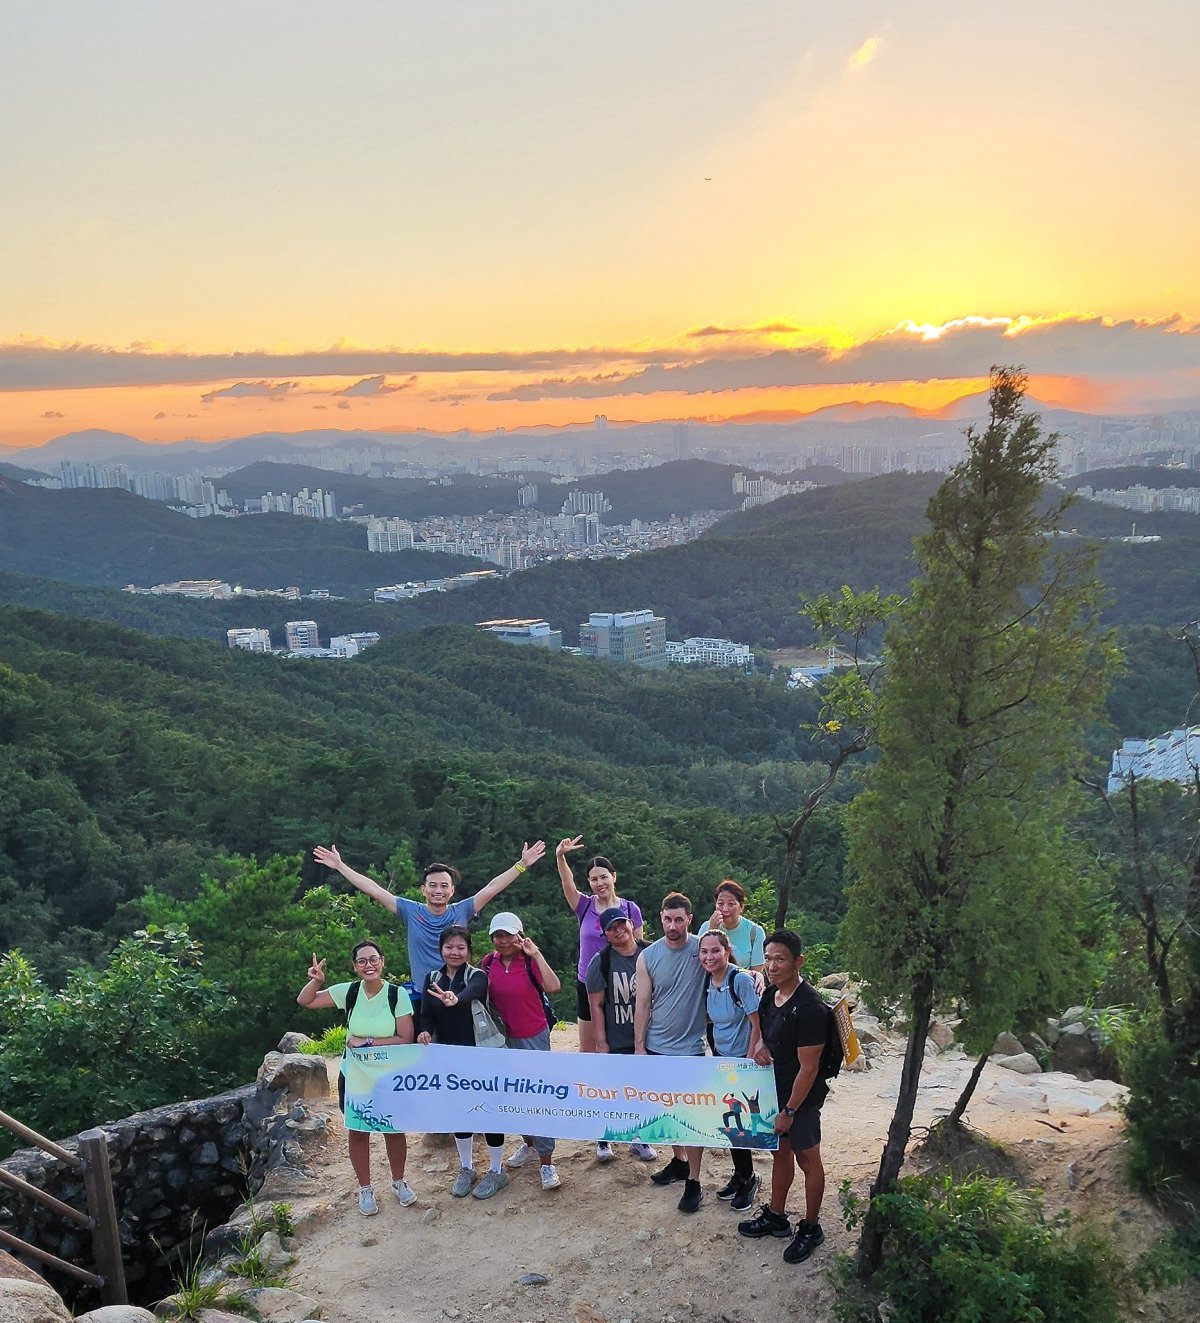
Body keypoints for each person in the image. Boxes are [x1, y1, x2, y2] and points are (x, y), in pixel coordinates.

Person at [313, 841, 546, 1022]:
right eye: (433, 885)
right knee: (421, 1049)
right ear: (423, 889)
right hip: (420, 995)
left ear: (452, 890)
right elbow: (374, 889)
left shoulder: (461, 910)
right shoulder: (410, 911)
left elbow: (492, 888)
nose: (438, 890)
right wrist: (340, 866)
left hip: (458, 994)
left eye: (444, 886)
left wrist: (521, 864)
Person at [296, 939, 416, 1216]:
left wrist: (367, 1041)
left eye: (373, 959)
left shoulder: (397, 995)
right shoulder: (348, 992)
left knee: (393, 1129)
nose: (368, 965)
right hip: (355, 1075)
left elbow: (405, 1038)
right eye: (362, 961)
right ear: (355, 967)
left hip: (388, 1074)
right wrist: (316, 981)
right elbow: (306, 1000)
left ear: (383, 961)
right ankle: (365, 1188)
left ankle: (399, 1182)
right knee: (359, 1131)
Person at [737, 929, 833, 1265]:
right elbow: (764, 1031)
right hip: (776, 1090)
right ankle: (777, 1215)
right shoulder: (771, 995)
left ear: (798, 961)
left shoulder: (810, 1009)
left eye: (780, 959)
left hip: (801, 1098)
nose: (772, 966)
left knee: (808, 1161)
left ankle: (811, 1227)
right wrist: (762, 1047)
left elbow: (809, 1069)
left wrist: (789, 1111)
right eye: (769, 958)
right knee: (781, 1153)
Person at [416, 925, 509, 1200]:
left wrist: (455, 999)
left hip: (481, 1054)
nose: (454, 952)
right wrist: (425, 1030)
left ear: (469, 950)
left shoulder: (477, 975)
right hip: (449, 1055)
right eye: (449, 947)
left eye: (460, 947)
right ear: (441, 949)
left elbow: (474, 994)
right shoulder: (432, 978)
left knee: (489, 1110)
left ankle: (496, 1170)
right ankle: (466, 1167)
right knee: (459, 1111)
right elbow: (426, 1012)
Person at [634, 891, 707, 1214]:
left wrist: (755, 976)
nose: (673, 925)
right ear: (660, 918)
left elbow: (727, 971)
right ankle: (678, 1161)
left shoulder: (701, 950)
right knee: (667, 1112)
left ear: (689, 919)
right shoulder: (647, 956)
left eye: (679, 919)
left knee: (691, 1117)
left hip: (690, 1048)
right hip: (657, 1045)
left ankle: (694, 1180)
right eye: (667, 919)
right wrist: (639, 1046)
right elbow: (643, 1002)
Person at [482, 911, 563, 1191]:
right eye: (497, 935)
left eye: (508, 934)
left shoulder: (529, 961)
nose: (502, 941)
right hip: (504, 1040)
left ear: (519, 935)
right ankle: (528, 1143)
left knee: (539, 1098)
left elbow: (553, 986)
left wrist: (536, 954)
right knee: (515, 1096)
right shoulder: (488, 963)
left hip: (533, 1037)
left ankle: (546, 1162)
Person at [555, 837, 644, 1058]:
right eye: (594, 879)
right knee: (588, 1049)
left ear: (614, 877)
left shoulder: (630, 909)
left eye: (604, 876)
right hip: (588, 981)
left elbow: (639, 951)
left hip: (623, 985)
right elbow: (567, 883)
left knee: (625, 1045)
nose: (600, 882)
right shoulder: (583, 906)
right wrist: (560, 856)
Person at [583, 906, 656, 1163]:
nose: (618, 930)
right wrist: (600, 1041)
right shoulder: (601, 962)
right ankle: (605, 1138)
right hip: (618, 1036)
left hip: (651, 1035)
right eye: (611, 928)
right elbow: (596, 1005)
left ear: (630, 923)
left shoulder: (651, 952)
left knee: (644, 1090)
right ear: (605, 934)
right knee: (612, 1090)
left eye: (621, 923)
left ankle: (640, 1138)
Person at [699, 929, 763, 1212]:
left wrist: (749, 1060)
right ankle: (741, 1174)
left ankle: (749, 1178)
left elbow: (757, 1020)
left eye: (715, 950)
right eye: (704, 951)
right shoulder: (709, 982)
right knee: (729, 1121)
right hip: (723, 1058)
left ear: (727, 951)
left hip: (742, 1060)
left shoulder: (740, 980)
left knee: (740, 1124)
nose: (709, 956)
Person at [700, 880, 766, 972]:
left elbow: (756, 972)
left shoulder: (755, 932)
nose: (725, 909)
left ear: (741, 907)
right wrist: (712, 931)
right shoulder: (706, 927)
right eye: (720, 903)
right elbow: (700, 965)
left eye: (731, 904)